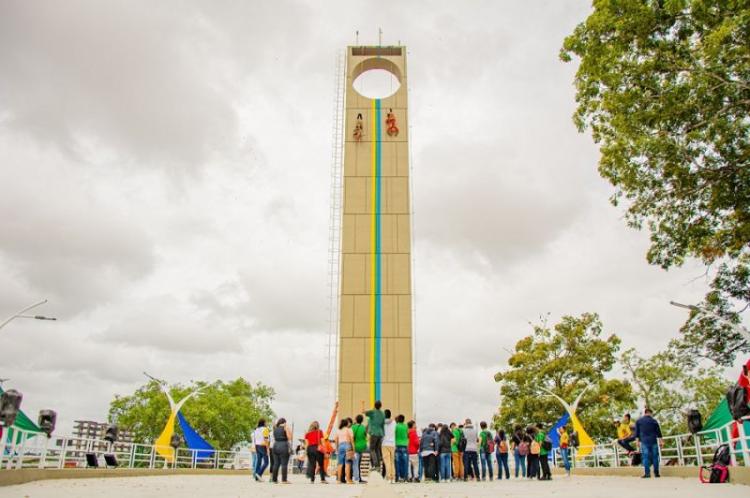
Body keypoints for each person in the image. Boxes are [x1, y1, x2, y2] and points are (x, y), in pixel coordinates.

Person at [635, 407, 663, 478]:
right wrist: (661, 441)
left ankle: (647, 474)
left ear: (645, 413)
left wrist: (637, 441)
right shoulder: (654, 421)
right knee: (655, 457)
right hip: (653, 441)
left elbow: (637, 433)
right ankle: (656, 473)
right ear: (650, 413)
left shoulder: (639, 421)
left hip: (644, 442)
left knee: (645, 458)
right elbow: (658, 432)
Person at [365, 401, 385, 473]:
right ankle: (378, 466)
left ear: (374, 405)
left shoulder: (372, 412)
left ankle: (376, 465)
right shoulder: (383, 414)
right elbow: (383, 424)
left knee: (372, 449)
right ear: (381, 406)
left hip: (373, 433)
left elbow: (364, 412)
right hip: (380, 433)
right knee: (377, 450)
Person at [270, 418, 292, 484]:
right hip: (283, 445)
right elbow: (290, 437)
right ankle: (284, 480)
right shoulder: (285, 427)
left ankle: (274, 479)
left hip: (275, 445)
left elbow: (274, 437)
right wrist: (287, 429)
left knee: (276, 463)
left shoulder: (275, 429)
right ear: (285, 422)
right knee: (284, 464)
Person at [335, 418, 354, 483]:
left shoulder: (338, 430)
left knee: (340, 464)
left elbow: (336, 440)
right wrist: (353, 449)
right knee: (347, 464)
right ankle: (348, 480)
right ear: (346, 423)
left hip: (340, 446)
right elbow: (352, 440)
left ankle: (338, 480)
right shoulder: (349, 430)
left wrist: (337, 448)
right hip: (347, 445)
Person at [351, 414, 368, 483]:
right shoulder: (363, 427)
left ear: (356, 419)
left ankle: (357, 478)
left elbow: (351, 437)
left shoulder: (353, 427)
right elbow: (366, 435)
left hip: (355, 447)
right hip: (362, 447)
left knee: (355, 463)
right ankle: (359, 478)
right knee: (358, 463)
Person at [393, 414, 409, 482]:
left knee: (397, 462)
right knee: (405, 463)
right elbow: (407, 435)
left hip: (397, 445)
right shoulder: (406, 426)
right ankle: (405, 477)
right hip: (405, 446)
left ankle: (398, 477)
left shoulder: (396, 426)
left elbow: (394, 434)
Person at [382, 409, 396, 482]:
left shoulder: (382, 423)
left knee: (387, 462)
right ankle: (393, 478)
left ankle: (388, 477)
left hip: (384, 443)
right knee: (392, 462)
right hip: (393, 444)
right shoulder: (394, 422)